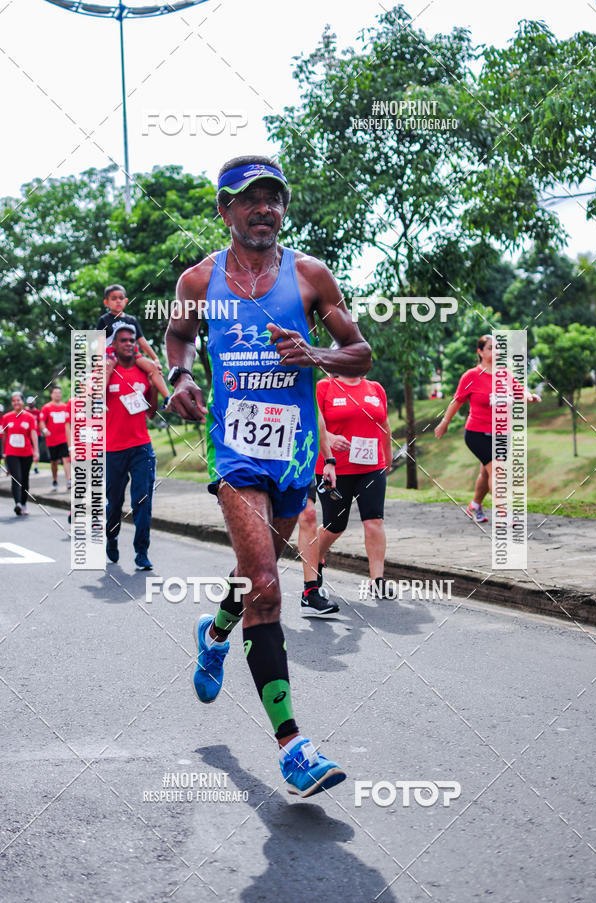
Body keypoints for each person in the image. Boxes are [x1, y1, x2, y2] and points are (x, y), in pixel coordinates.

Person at [166, 154, 371, 797]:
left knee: (256, 580)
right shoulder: (199, 282)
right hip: (233, 448)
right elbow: (178, 339)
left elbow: (360, 354)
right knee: (265, 583)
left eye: (274, 198)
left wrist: (316, 353)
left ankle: (215, 630)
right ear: (225, 210)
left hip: (294, 450)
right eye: (251, 199)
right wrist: (179, 376)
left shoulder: (310, 276)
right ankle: (293, 747)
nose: (266, 209)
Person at [434, 334, 540, 522]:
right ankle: (503, 514)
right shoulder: (471, 375)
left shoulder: (505, 374)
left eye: (499, 347)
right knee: (497, 470)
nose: (497, 351)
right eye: (491, 347)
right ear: (480, 351)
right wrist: (444, 423)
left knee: (486, 472)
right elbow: (457, 401)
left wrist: (530, 396)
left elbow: (519, 391)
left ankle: (475, 505)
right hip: (477, 433)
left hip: (501, 433)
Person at [314, 373, 393, 598]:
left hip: (371, 467)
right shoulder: (324, 387)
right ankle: (314, 558)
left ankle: (377, 580)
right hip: (334, 469)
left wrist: (387, 458)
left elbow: (384, 424)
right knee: (335, 525)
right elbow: (311, 421)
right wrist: (328, 437)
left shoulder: (376, 388)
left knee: (374, 521)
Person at [105, 322, 158, 570]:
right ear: (114, 345)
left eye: (131, 340)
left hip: (141, 447)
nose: (128, 343)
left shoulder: (142, 373)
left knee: (143, 500)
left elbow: (152, 414)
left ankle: (141, 552)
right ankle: (112, 536)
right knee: (114, 502)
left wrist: (154, 390)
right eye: (123, 340)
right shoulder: (106, 372)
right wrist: (106, 372)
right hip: (113, 449)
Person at [296, 408, 339, 616]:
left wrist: (329, 459)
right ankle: (257, 583)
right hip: (260, 458)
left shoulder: (305, 375)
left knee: (309, 515)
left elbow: (316, 414)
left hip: (298, 456)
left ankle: (311, 592)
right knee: (266, 523)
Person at [98, 284, 170, 402]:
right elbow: (100, 342)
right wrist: (99, 360)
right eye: (114, 298)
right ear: (106, 302)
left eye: (121, 298)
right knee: (106, 368)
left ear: (126, 301)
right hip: (112, 353)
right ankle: (99, 399)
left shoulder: (131, 320)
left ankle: (167, 398)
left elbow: (142, 342)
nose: (118, 301)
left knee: (152, 367)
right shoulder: (104, 320)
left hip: (133, 353)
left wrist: (155, 358)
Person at [0, 392, 39, 515]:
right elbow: (4, 436)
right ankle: (17, 503)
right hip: (12, 453)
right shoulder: (7, 417)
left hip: (26, 453)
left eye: (18, 400)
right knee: (16, 478)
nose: (16, 402)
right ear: (12, 403)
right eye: (14, 400)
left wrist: (36, 451)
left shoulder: (29, 417)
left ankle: (23, 503)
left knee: (25, 479)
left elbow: (33, 434)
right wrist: (4, 452)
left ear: (23, 402)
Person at [40, 386, 71, 491]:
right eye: (55, 393)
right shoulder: (46, 407)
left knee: (66, 459)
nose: (58, 394)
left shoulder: (65, 406)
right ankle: (55, 480)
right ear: (51, 395)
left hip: (64, 439)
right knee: (54, 462)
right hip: (52, 440)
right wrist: (44, 430)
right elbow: (41, 421)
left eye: (59, 392)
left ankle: (69, 480)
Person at [25, 396, 42, 473]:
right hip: (27, 435)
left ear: (34, 403)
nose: (31, 404)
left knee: (36, 450)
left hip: (36, 434)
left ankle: (35, 466)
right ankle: (27, 466)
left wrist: (42, 430)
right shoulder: (24, 411)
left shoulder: (38, 412)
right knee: (27, 451)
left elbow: (40, 423)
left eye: (32, 403)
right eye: (29, 403)